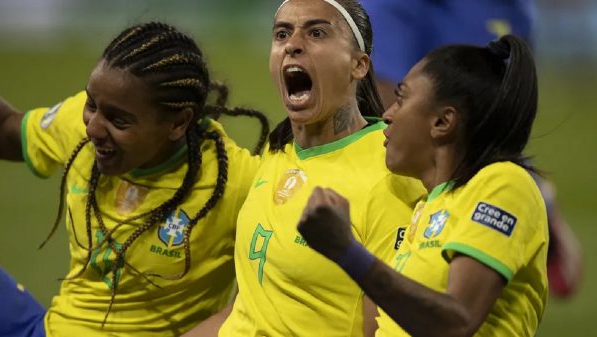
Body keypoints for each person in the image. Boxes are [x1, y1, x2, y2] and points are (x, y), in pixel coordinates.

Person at [0, 21, 269, 336]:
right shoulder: (80, 126)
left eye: (118, 120)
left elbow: (268, 296)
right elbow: (6, 129)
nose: (94, 128)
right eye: (92, 105)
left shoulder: (237, 182)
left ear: (179, 123)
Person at [183, 0, 425, 336]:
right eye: (282, 34)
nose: (293, 44)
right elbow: (250, 309)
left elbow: (385, 328)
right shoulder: (278, 153)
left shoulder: (390, 174)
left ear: (359, 65)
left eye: (317, 33)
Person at [298, 34, 548, 337]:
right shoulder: (427, 206)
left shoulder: (504, 184)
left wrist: (347, 251)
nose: (387, 114)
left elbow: (456, 322)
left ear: (442, 122)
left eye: (402, 98)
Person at [360, 0, 582, 298]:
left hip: (464, 183)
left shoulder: (516, 11)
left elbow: (457, 321)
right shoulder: (396, 7)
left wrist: (351, 258)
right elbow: (384, 107)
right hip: (413, 178)